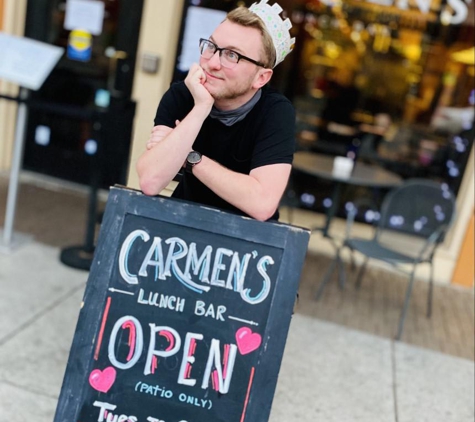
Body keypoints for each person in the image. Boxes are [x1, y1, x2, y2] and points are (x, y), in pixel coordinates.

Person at [136, 0, 296, 221]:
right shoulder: (183, 95)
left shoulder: (275, 113)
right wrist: (201, 107)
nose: (211, 63)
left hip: (248, 245)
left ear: (261, 77)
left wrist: (190, 157)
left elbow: (262, 204)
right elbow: (150, 181)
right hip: (181, 226)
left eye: (232, 55)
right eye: (212, 46)